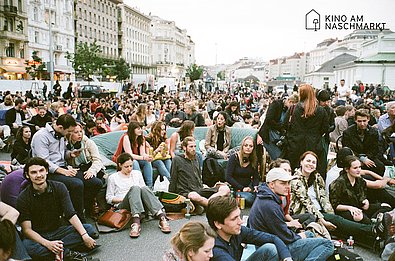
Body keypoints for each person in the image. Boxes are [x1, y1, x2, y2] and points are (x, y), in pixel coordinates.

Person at [16, 157, 99, 261]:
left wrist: (84, 236)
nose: (38, 175)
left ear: (46, 171)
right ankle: (69, 254)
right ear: (27, 175)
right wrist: (47, 244)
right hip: (38, 236)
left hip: (58, 231)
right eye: (33, 172)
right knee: (28, 247)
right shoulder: (23, 197)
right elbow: (27, 230)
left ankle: (56, 252)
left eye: (41, 170)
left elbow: (70, 214)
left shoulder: (59, 187)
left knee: (88, 230)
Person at [249, 168, 334, 261]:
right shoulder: (270, 205)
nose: (287, 186)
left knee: (309, 234)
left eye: (288, 183)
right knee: (327, 244)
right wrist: (298, 236)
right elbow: (284, 236)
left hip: (273, 243)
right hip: (276, 249)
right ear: (272, 184)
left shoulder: (264, 196)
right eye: (283, 183)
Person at [31, 114, 103, 221]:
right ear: (60, 128)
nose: (69, 134)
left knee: (96, 183)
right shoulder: (41, 136)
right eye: (69, 131)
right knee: (77, 184)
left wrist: (70, 154)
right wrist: (63, 171)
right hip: (48, 172)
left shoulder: (60, 134)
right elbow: (43, 161)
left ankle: (82, 208)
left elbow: (62, 153)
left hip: (63, 168)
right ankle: (79, 219)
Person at [206, 196, 292, 261]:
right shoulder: (214, 249)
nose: (240, 222)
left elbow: (273, 238)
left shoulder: (237, 231)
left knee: (270, 249)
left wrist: (287, 258)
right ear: (218, 224)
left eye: (239, 216)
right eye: (234, 219)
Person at [106, 153, 171, 238]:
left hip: (139, 202)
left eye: (131, 166)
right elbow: (109, 198)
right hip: (123, 204)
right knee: (135, 188)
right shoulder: (113, 177)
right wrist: (127, 198)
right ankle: (136, 222)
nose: (129, 169)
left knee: (144, 188)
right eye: (126, 167)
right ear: (120, 165)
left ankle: (162, 218)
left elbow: (144, 190)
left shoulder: (137, 173)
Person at [169, 136, 230, 208]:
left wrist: (206, 186)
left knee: (225, 189)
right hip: (186, 192)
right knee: (194, 196)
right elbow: (173, 179)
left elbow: (199, 176)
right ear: (184, 148)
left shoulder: (197, 158)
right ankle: (212, 206)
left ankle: (208, 204)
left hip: (200, 189)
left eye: (195, 146)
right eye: (191, 147)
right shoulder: (177, 160)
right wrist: (171, 197)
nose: (194, 149)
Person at [329, 155, 391, 224]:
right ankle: (371, 224)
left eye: (359, 167)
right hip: (347, 211)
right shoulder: (338, 183)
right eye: (355, 168)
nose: (359, 170)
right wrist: (350, 208)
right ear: (347, 169)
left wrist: (365, 201)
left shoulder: (359, 180)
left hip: (359, 207)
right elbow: (335, 205)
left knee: (386, 206)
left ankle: (374, 220)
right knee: (359, 217)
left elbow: (362, 196)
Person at [284, 84, 329, 171]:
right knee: (312, 170)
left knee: (294, 170)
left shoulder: (293, 108)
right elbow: (325, 128)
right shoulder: (321, 110)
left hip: (294, 144)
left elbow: (285, 125)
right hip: (314, 144)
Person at [342, 109, 386, 176]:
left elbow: (375, 149)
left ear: (368, 119)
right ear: (355, 120)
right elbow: (348, 149)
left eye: (364, 121)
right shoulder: (348, 132)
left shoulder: (373, 131)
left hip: (369, 157)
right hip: (353, 158)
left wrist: (367, 158)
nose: (362, 124)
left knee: (380, 167)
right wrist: (361, 159)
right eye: (359, 121)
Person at [257, 94, 298, 160]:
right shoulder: (276, 104)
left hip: (279, 136)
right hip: (269, 134)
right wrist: (281, 127)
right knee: (278, 157)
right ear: (290, 102)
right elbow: (269, 119)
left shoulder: (287, 110)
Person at [225, 136, 259, 207]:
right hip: (236, 188)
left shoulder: (254, 159)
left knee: (262, 192)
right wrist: (242, 188)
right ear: (242, 146)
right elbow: (228, 177)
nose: (248, 147)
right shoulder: (234, 157)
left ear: (253, 148)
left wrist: (255, 186)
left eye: (251, 146)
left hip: (249, 187)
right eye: (246, 145)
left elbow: (256, 177)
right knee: (249, 198)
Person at [122, 121, 154, 188]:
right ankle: (140, 185)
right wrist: (143, 158)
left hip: (136, 157)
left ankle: (150, 186)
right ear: (132, 130)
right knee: (134, 162)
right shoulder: (126, 137)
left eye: (141, 128)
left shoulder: (141, 137)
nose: (141, 130)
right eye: (138, 129)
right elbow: (129, 155)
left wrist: (148, 157)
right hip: (125, 158)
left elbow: (142, 153)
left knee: (147, 162)